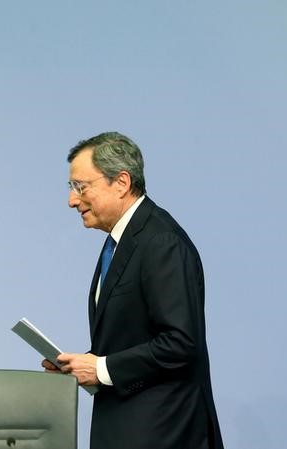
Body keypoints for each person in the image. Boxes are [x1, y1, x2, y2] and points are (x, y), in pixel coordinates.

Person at [42, 132, 224, 449]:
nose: (72, 200)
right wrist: (84, 366)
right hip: (130, 428)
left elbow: (181, 343)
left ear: (122, 183)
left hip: (163, 433)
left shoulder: (160, 242)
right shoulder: (123, 240)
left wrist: (101, 368)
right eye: (72, 188)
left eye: (80, 187)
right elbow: (135, 338)